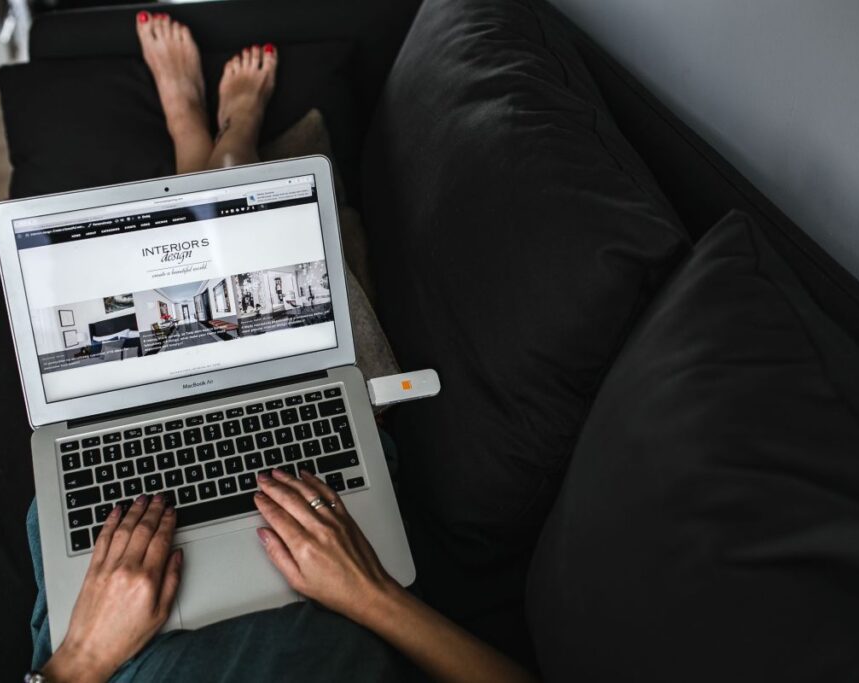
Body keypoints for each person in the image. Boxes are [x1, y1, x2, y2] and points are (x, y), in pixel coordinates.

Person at [30, 13, 537, 683]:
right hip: (342, 588)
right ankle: (223, 150)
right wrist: (372, 594)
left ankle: (202, 145)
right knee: (295, 311)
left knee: (193, 341)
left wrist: (85, 656)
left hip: (116, 643)